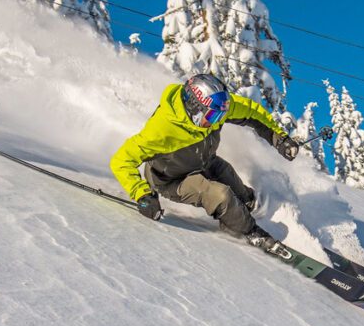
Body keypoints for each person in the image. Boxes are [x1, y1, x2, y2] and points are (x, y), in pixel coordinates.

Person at [110, 74, 299, 250]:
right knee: (220, 195)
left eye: (219, 116)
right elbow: (121, 160)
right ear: (194, 108)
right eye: (212, 117)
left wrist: (278, 138)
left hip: (203, 162)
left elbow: (252, 112)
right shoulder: (162, 130)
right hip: (172, 179)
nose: (216, 121)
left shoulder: (218, 108)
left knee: (230, 179)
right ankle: (250, 233)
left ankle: (247, 209)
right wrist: (143, 196)